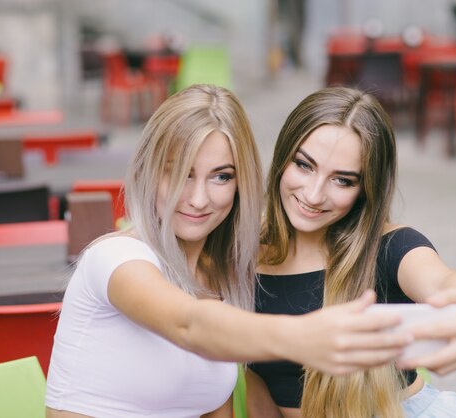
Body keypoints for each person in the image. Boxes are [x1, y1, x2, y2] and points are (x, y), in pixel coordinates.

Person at [45, 84, 414, 418]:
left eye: (221, 176)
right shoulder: (116, 259)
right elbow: (189, 324)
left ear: (243, 184)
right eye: (179, 173)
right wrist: (303, 336)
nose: (199, 199)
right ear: (148, 170)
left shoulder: (227, 279)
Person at [247, 87, 456, 418]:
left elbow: (449, 282)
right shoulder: (243, 253)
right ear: (282, 157)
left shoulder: (391, 247)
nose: (314, 194)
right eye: (304, 165)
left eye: (343, 180)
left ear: (367, 189)